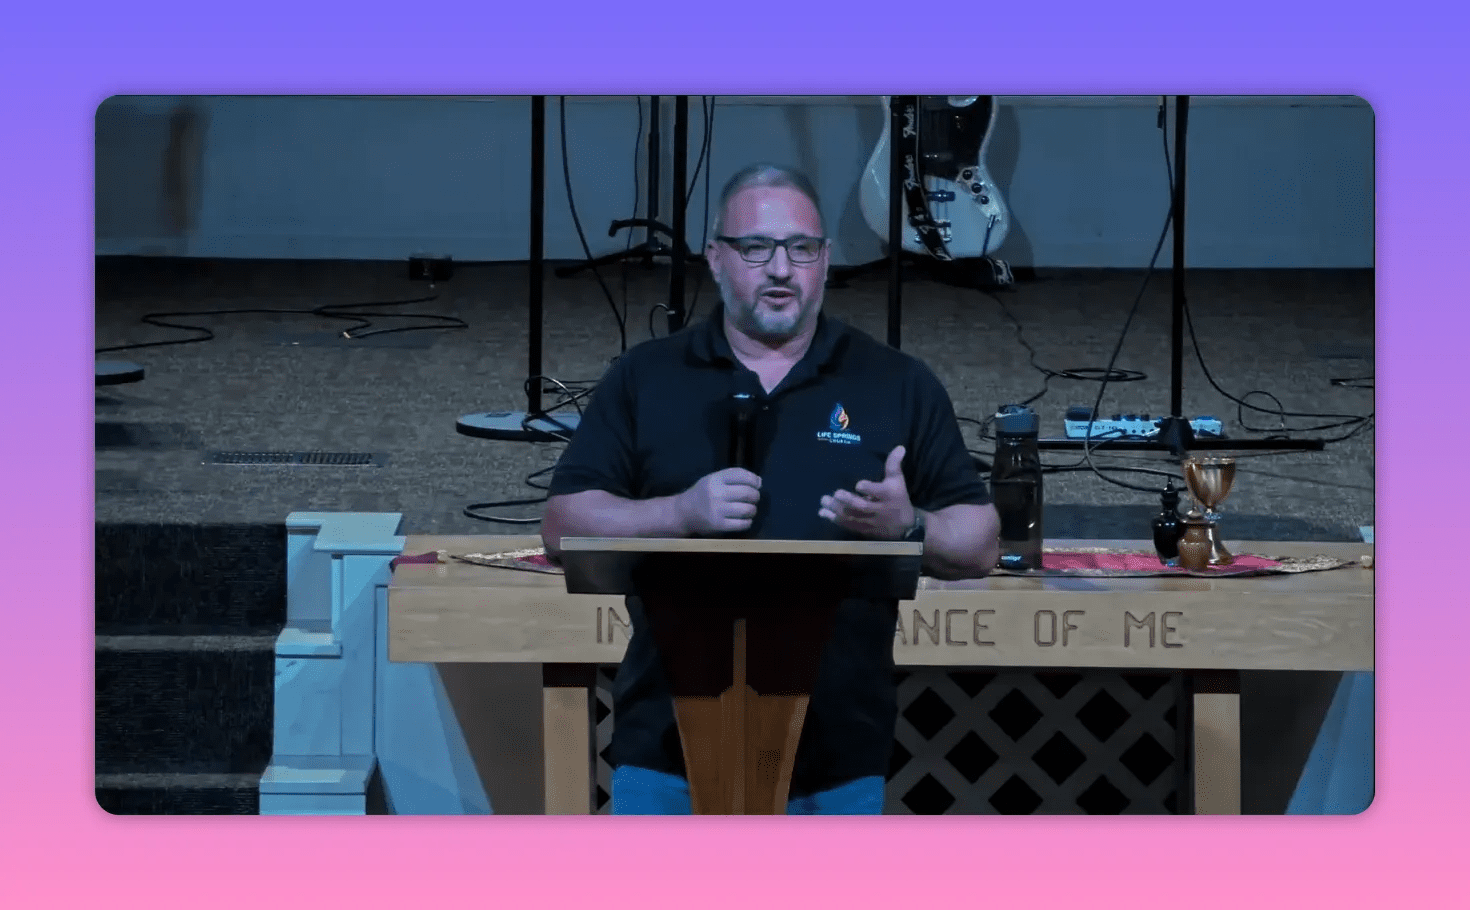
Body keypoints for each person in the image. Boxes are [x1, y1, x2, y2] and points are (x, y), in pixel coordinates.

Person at [541, 163, 1000, 814]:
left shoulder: (894, 382)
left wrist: (909, 526)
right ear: (715, 258)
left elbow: (980, 541)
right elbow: (563, 523)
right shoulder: (648, 376)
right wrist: (679, 512)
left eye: (801, 249)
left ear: (826, 261)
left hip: (838, 758)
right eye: (756, 248)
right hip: (665, 750)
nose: (781, 269)